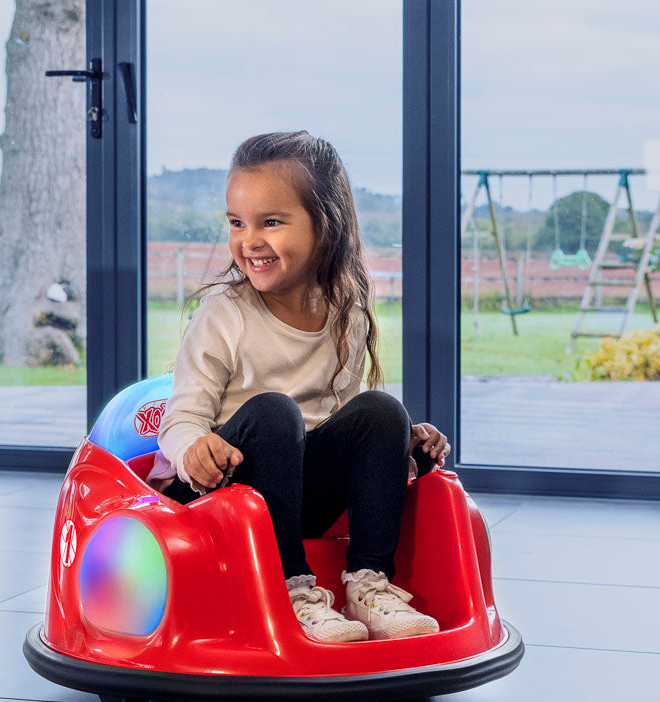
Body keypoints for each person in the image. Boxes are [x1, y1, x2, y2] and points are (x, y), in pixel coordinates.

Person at [147, 131, 451, 643]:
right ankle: (292, 591)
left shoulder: (347, 314)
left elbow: (341, 421)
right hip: (213, 498)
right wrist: (193, 448)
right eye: (237, 223)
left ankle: (370, 586)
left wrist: (400, 441)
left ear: (325, 228)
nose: (249, 240)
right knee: (274, 412)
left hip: (295, 497)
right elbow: (181, 420)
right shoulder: (224, 315)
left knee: (381, 410)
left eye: (270, 222)